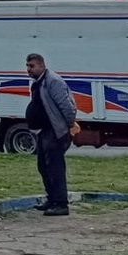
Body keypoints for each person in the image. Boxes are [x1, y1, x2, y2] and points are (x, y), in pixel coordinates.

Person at [25, 52, 80, 216]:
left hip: (54, 131)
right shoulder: (38, 83)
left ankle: (61, 204)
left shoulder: (53, 81)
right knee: (43, 166)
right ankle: (52, 199)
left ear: (41, 66)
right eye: (27, 66)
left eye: (32, 66)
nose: (28, 69)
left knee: (55, 167)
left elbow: (67, 106)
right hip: (43, 131)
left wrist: (70, 125)